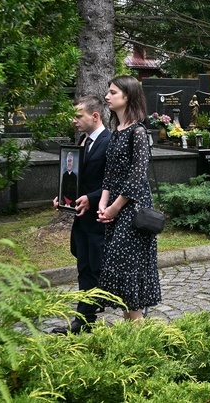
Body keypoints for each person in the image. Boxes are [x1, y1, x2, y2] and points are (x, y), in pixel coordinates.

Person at [97, 75, 162, 322]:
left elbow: (137, 177)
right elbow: (109, 172)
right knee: (122, 269)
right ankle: (133, 330)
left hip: (133, 210)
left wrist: (113, 207)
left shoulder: (138, 131)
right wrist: (103, 203)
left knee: (129, 268)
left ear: (128, 96)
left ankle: (138, 334)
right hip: (115, 208)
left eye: (113, 92)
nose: (107, 96)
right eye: (108, 92)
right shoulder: (116, 132)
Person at [51, 95, 111, 335]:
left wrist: (92, 198)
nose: (73, 121)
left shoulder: (110, 141)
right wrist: (63, 197)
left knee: (96, 268)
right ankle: (85, 318)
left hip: (100, 219)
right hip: (81, 220)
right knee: (84, 267)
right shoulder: (82, 142)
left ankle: (86, 318)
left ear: (95, 116)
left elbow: (113, 182)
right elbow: (74, 180)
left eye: (78, 116)